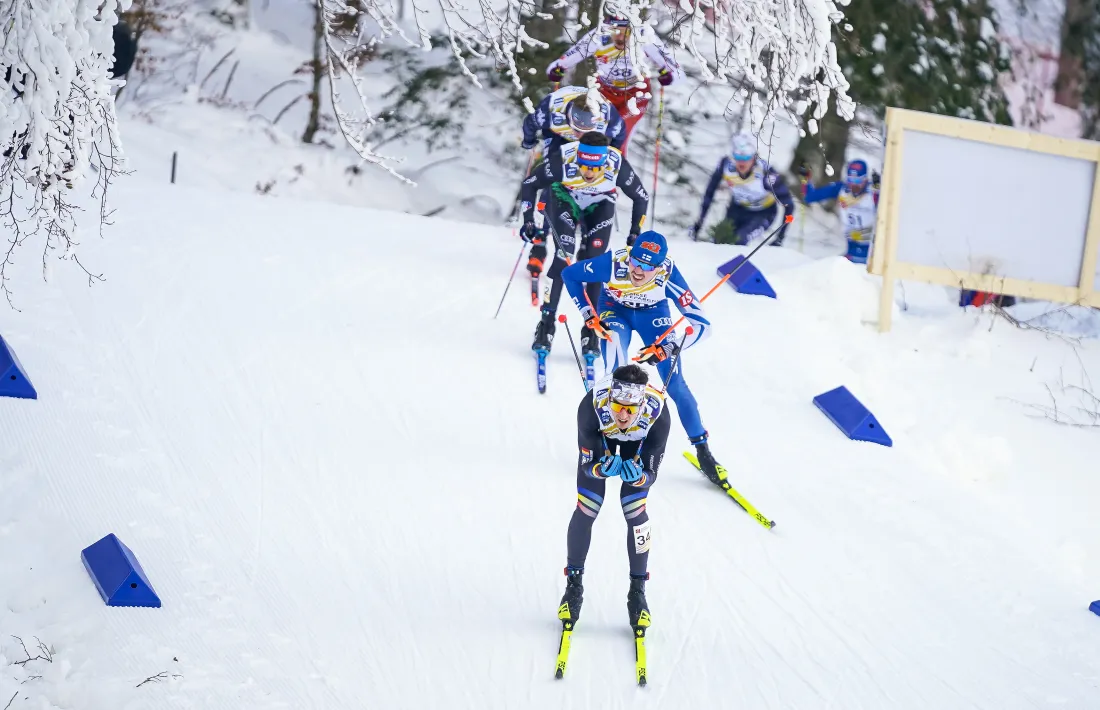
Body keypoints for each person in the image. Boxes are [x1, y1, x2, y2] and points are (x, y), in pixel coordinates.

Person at [560, 229, 727, 485]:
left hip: (654, 317)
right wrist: (588, 315)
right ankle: (607, 441)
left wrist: (669, 347)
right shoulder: (614, 263)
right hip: (615, 310)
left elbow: (704, 326)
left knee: (675, 384)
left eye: (648, 267)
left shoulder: (669, 275)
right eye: (636, 261)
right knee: (615, 367)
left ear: (659, 268)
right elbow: (569, 275)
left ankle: (703, 451)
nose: (638, 271)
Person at [558, 363, 671, 632]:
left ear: (641, 405)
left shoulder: (659, 415)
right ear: (609, 397)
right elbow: (587, 463)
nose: (622, 414)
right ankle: (573, 587)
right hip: (601, 439)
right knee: (587, 508)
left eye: (630, 409)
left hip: (640, 447)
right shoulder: (591, 407)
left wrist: (641, 477)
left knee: (635, 511)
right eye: (617, 405)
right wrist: (597, 468)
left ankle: (638, 591)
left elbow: (651, 473)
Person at [518, 131, 649, 360]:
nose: (588, 173)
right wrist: (529, 219)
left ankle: (591, 329)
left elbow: (642, 197)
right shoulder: (563, 160)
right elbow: (530, 184)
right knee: (563, 256)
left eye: (595, 168)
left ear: (604, 163)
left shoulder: (616, 164)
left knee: (595, 262)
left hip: (600, 202)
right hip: (565, 198)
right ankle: (546, 324)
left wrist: (635, 234)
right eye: (584, 166)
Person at [545, 7, 682, 157]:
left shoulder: (645, 36)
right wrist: (557, 69)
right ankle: (584, 170)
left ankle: (616, 173)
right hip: (604, 92)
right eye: (615, 30)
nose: (620, 36)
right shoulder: (598, 36)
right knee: (590, 134)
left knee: (619, 133)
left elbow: (676, 70)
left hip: (635, 95)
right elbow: (569, 57)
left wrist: (669, 76)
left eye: (626, 32)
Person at [691, 133, 795, 246]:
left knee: (739, 240)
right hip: (737, 209)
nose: (741, 162)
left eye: (746, 157)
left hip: (763, 214)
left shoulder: (766, 175)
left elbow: (789, 205)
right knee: (719, 239)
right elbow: (709, 192)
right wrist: (699, 222)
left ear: (754, 157)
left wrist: (780, 237)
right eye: (738, 157)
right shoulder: (725, 165)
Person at [798, 159, 880, 264]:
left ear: (865, 179)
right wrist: (805, 179)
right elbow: (809, 197)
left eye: (857, 181)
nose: (853, 185)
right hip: (851, 246)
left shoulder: (872, 193)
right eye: (850, 180)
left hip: (871, 248)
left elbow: (887, 208)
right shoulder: (841, 189)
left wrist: (878, 189)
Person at [521, 85, 626, 154]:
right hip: (557, 134)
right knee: (553, 167)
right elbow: (530, 123)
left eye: (586, 131)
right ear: (568, 116)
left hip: (591, 140)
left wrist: (612, 151)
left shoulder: (608, 115)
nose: (580, 136)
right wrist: (528, 141)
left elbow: (620, 133)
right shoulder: (551, 108)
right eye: (577, 129)